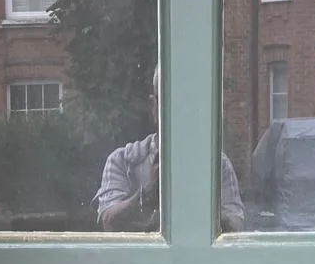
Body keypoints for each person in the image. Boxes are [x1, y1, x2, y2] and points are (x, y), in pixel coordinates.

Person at [96, 67, 245, 230]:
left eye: (188, 102)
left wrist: (200, 194)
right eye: (170, 100)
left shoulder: (217, 163)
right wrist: (149, 194)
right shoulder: (122, 161)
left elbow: (236, 229)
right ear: (154, 105)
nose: (180, 111)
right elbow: (109, 222)